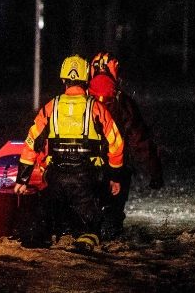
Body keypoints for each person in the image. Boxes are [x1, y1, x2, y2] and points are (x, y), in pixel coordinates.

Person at [16, 55, 124, 250]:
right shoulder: (96, 108)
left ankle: (43, 238)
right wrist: (115, 177)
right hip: (87, 179)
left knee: (44, 227)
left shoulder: (50, 107)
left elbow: (31, 143)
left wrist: (22, 179)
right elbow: (116, 144)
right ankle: (86, 241)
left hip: (55, 179)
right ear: (86, 80)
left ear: (63, 80)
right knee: (91, 228)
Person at [87, 53, 163, 241]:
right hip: (118, 170)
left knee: (87, 217)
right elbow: (139, 140)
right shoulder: (124, 102)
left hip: (84, 168)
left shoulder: (80, 101)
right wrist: (155, 173)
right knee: (113, 219)